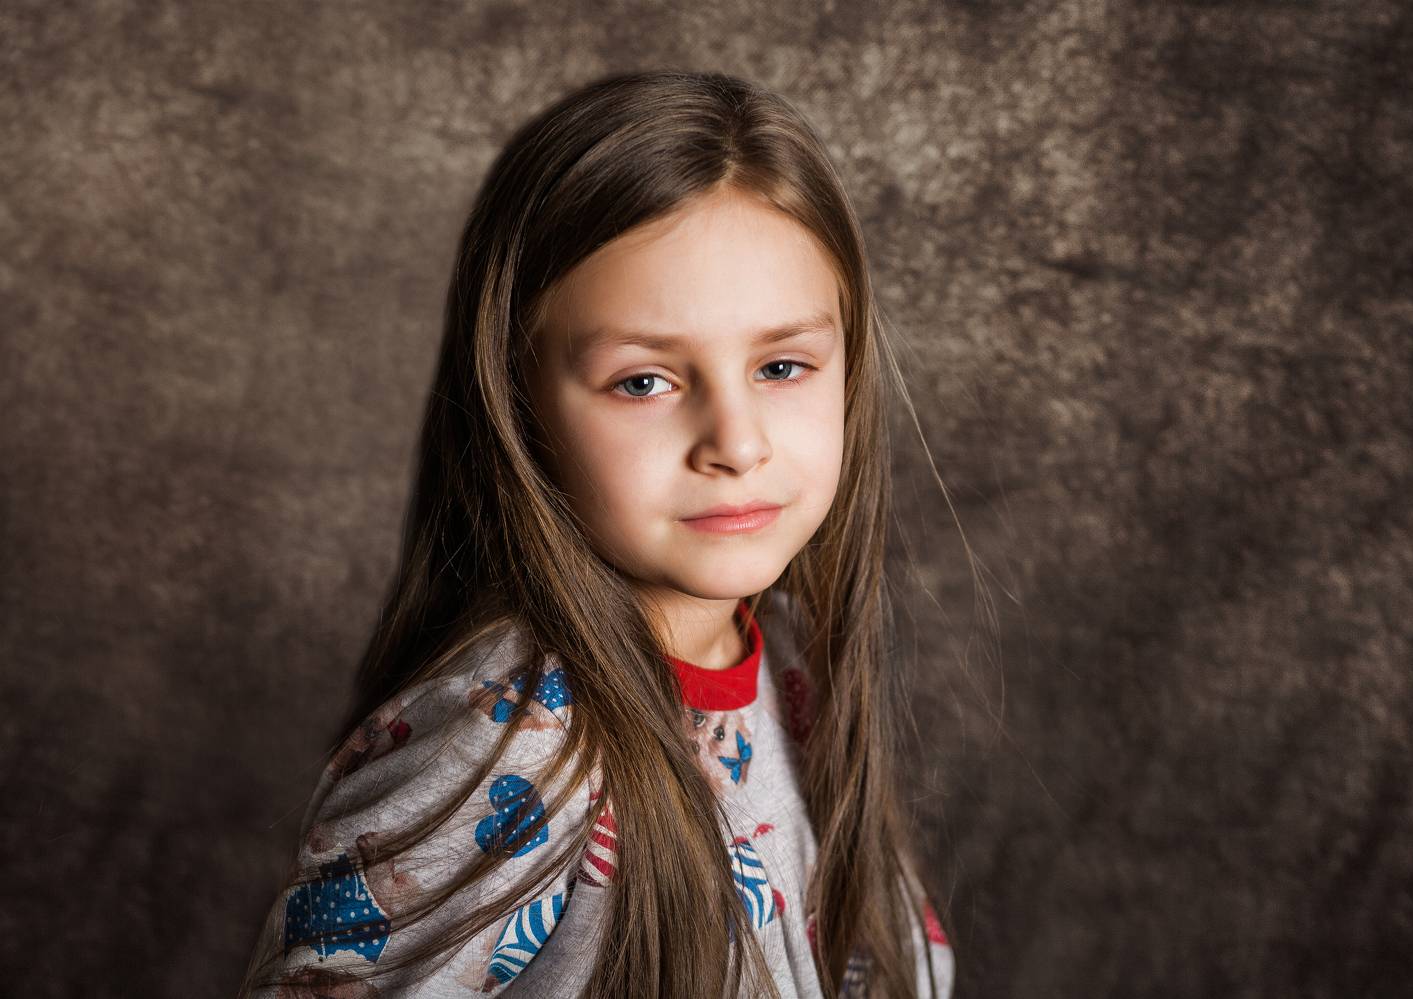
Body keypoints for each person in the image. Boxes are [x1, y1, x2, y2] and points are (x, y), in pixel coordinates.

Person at [238, 69, 956, 998]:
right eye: (643, 382)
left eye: (782, 366)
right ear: (518, 403)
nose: (736, 443)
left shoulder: (793, 662)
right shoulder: (518, 738)